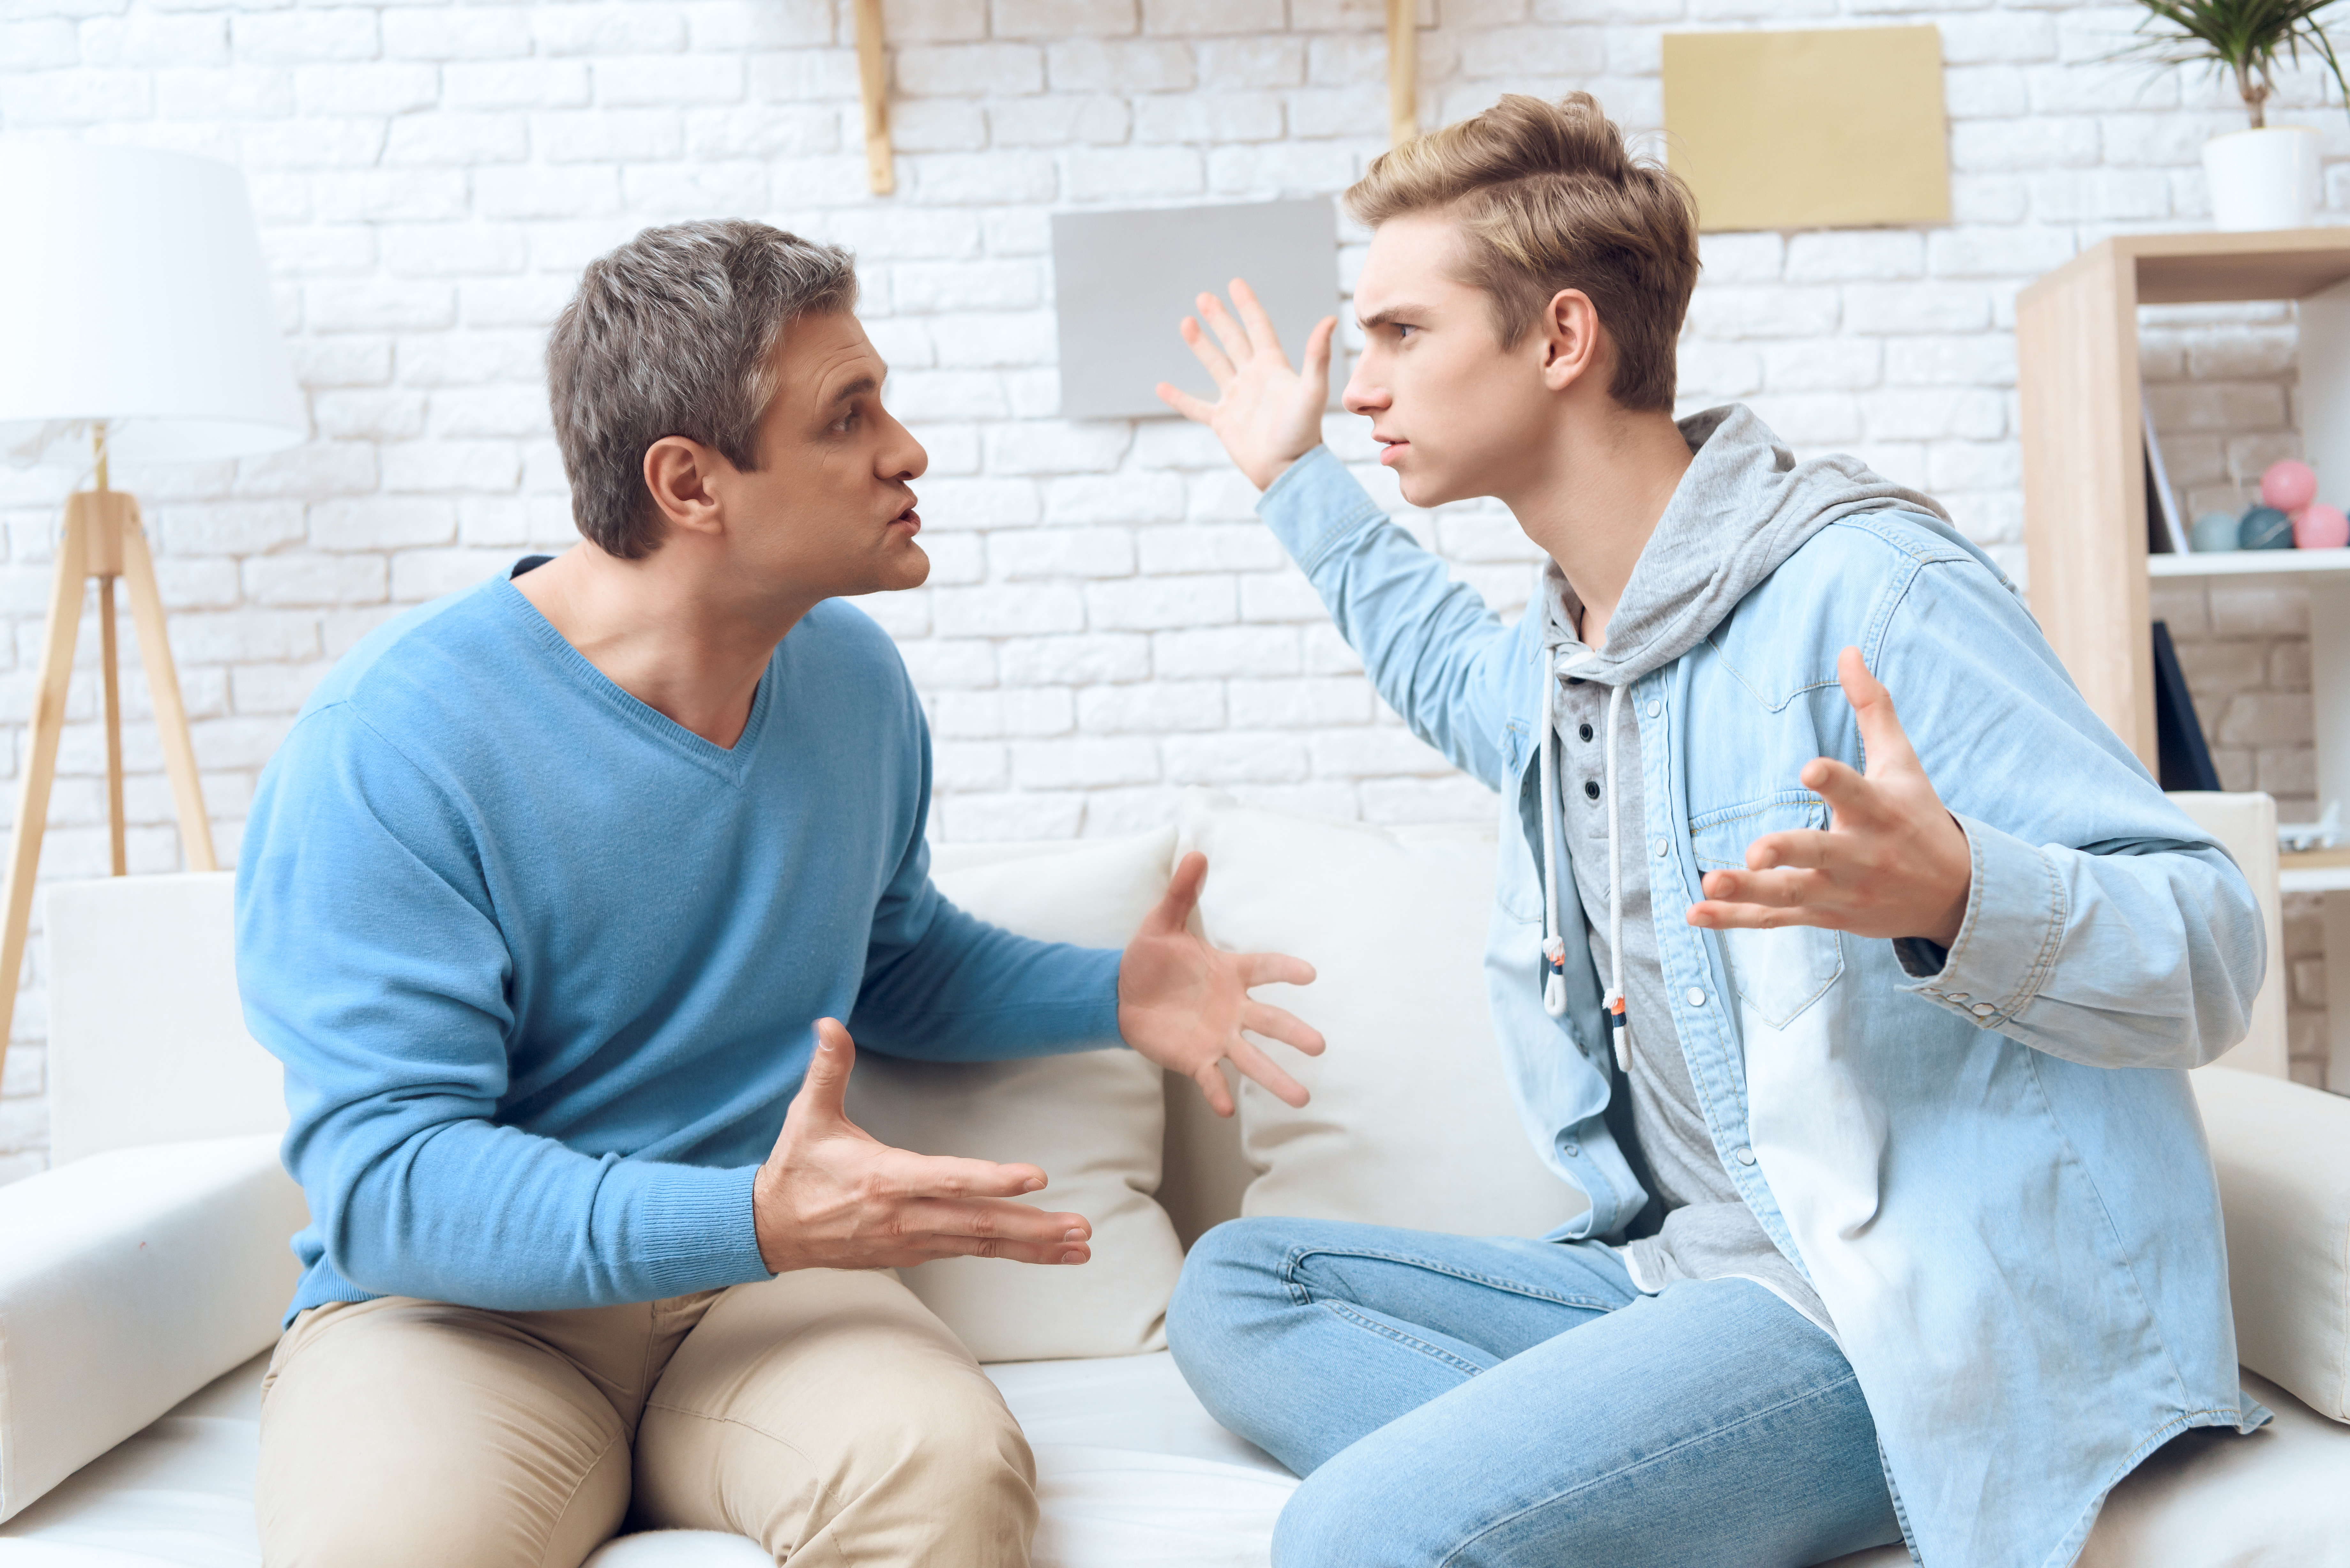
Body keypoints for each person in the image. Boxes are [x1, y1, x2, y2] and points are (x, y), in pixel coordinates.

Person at [1156, 93, 2268, 1568]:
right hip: (1686, 1277)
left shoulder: (1869, 591)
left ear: (1560, 340)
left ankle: (1601, 1477)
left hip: (1901, 1305)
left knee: (1360, 1533)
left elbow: (2208, 942)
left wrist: (1958, 895)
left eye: (1398, 334)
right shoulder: (1573, 656)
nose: (1361, 385)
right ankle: (1633, 1473)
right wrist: (1290, 477)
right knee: (1239, 1281)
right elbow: (1439, 664)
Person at [234, 219, 1325, 1568]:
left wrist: (1113, 991)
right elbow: (389, 1182)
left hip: (752, 1296)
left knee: (946, 1477)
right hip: (456, 1310)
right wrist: (751, 1211)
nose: (908, 449)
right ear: (691, 483)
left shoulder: (852, 680)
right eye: (848, 415)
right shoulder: (393, 744)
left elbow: (890, 958)